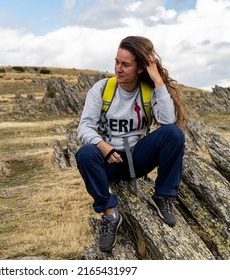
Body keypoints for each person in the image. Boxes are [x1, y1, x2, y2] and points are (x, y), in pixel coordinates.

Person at [75, 36, 186, 253]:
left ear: (141, 68)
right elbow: (85, 127)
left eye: (126, 64)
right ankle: (110, 214)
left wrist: (157, 80)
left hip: (138, 157)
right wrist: (103, 147)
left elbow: (167, 120)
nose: (118, 69)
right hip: (109, 160)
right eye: (117, 62)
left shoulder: (149, 90)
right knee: (85, 153)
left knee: (173, 133)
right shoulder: (102, 89)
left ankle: (162, 196)